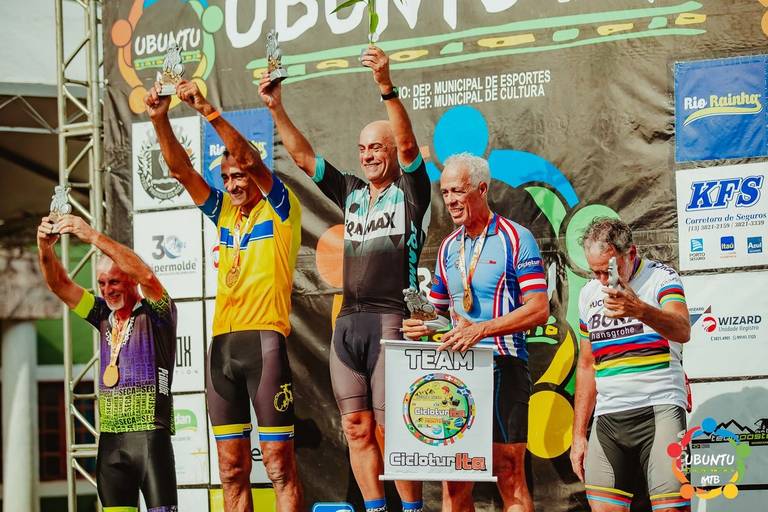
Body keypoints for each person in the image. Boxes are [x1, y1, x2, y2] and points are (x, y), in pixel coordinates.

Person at [259, 46, 430, 512]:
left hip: (391, 320)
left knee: (392, 429)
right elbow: (302, 157)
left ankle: (411, 510)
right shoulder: (352, 191)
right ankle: (376, 508)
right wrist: (275, 107)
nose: (369, 155)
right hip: (348, 324)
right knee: (356, 428)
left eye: (377, 147)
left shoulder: (411, 192)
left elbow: (410, 148)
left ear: (392, 152)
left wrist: (386, 87)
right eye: (363, 149)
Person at [144, 80, 303, 512]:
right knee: (231, 470)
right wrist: (160, 119)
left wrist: (207, 110)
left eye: (240, 176)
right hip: (222, 349)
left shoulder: (280, 206)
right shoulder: (224, 212)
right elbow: (181, 172)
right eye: (227, 177)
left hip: (264, 342)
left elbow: (249, 157)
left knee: (279, 466)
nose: (233, 184)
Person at [403, 153, 549, 512]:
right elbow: (438, 314)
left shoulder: (516, 238)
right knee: (454, 478)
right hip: (458, 373)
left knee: (508, 471)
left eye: (458, 191)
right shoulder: (448, 247)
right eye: (445, 192)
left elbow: (538, 309)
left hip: (503, 364)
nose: (450, 200)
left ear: (482, 190)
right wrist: (422, 325)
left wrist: (481, 330)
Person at [37, 214, 178, 512]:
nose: (107, 289)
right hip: (111, 442)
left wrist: (92, 236)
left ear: (130, 279)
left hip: (150, 437)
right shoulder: (102, 314)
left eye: (114, 281)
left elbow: (148, 277)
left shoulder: (157, 313)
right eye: (101, 283)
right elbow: (59, 284)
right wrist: (44, 247)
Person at [570, 217, 691, 512]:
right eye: (595, 271)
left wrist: (639, 310)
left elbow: (682, 329)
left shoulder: (661, 278)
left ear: (630, 253)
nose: (602, 280)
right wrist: (578, 435)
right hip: (609, 418)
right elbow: (586, 365)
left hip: (659, 408)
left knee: (671, 508)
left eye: (608, 269)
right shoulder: (589, 293)